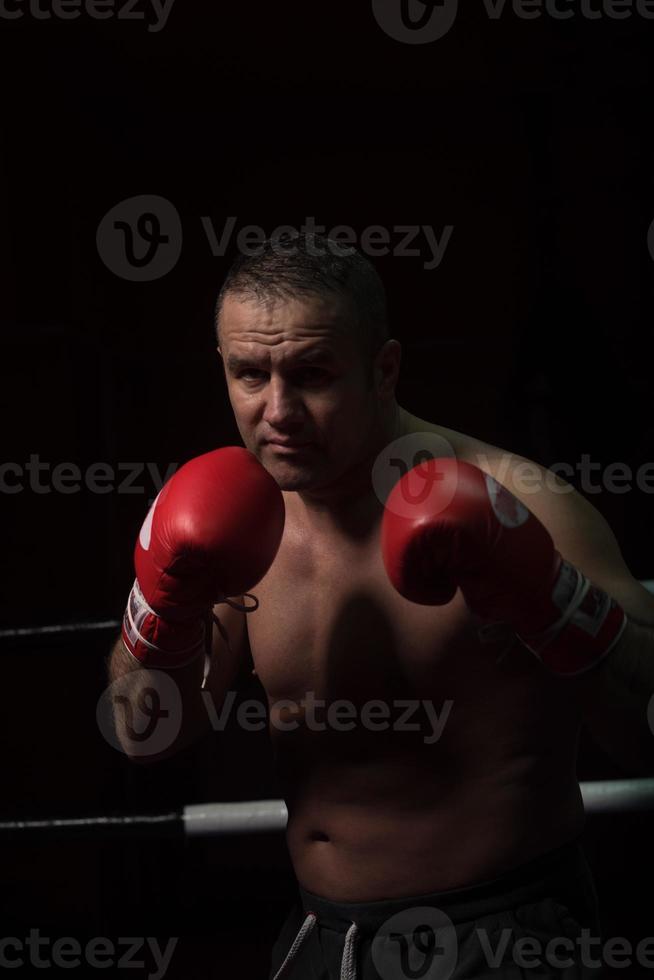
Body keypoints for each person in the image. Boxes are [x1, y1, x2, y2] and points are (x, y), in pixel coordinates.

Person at [108, 234, 654, 979]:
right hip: (323, 939)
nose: (279, 411)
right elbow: (143, 731)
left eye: (312, 375)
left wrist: (546, 598)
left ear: (384, 369)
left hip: (504, 941)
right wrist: (160, 612)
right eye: (249, 374)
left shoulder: (523, 502)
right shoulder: (226, 520)